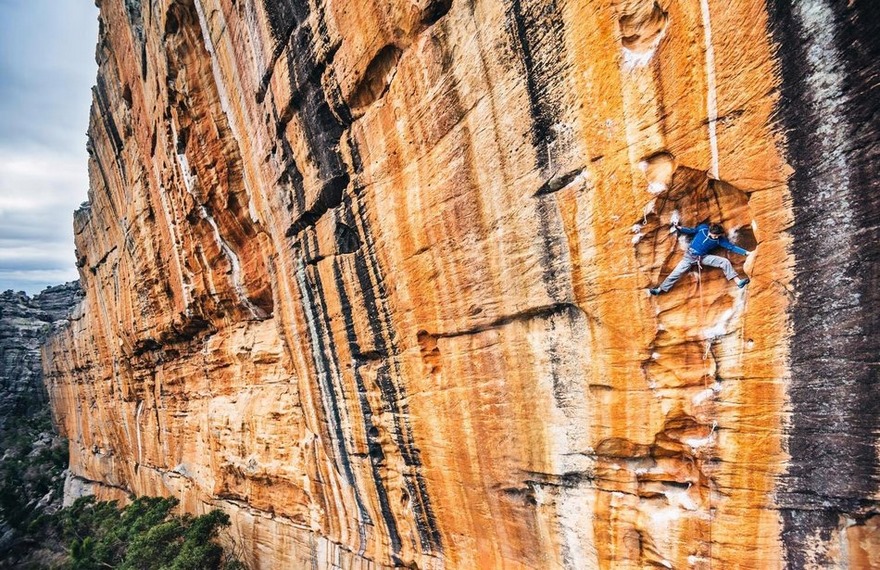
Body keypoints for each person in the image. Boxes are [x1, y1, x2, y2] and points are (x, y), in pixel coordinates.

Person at [650, 222, 752, 295]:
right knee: (675, 274)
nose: (716, 237)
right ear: (710, 231)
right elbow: (692, 231)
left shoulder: (720, 240)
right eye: (714, 235)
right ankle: (660, 289)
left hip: (703, 258)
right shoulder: (703, 228)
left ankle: (738, 282)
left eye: (718, 236)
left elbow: (732, 247)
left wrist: (746, 253)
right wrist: (679, 228)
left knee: (724, 262)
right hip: (689, 257)